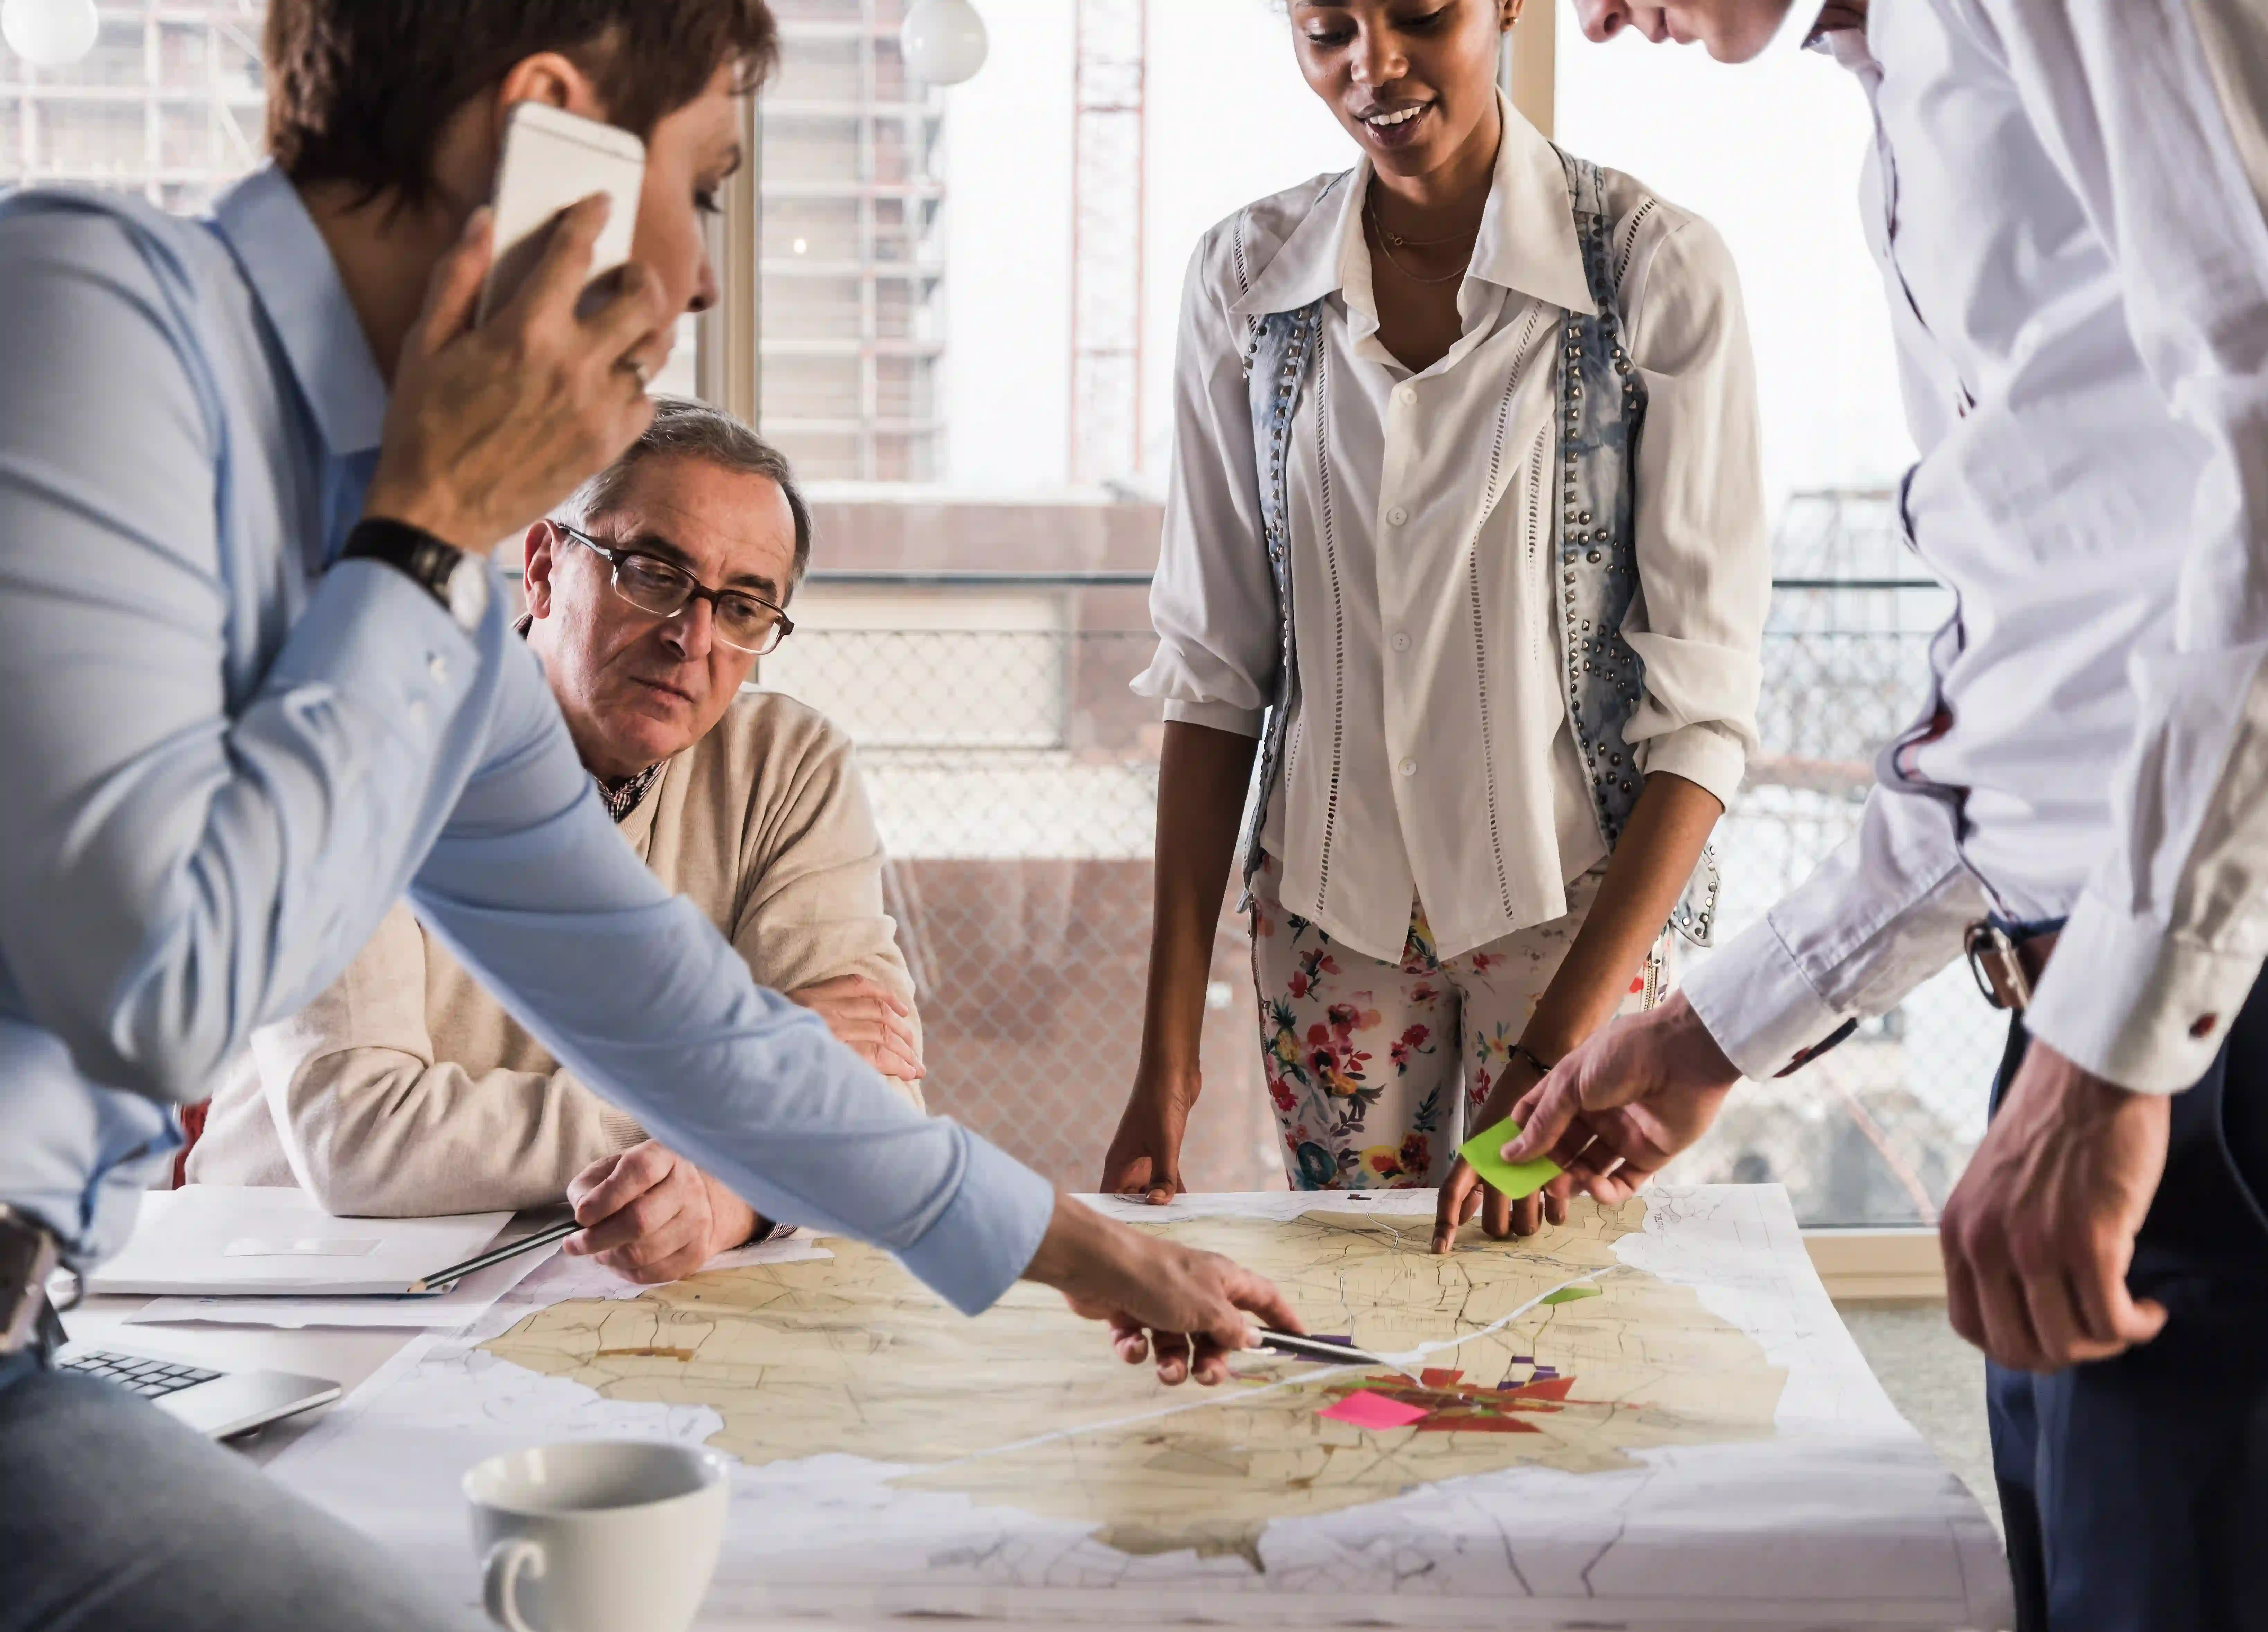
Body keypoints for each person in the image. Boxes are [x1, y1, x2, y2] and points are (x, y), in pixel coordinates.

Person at [0, 5, 1301, 1627]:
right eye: (702, 185)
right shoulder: (90, 320)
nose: (695, 279)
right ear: (550, 133)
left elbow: (679, 1021)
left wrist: (1083, 1251)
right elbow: (150, 977)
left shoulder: (436, 608)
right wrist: (426, 528)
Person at [1464, 0, 2268, 1625]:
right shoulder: (1905, 88)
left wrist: (2112, 1046)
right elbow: (2030, 701)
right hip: (2087, 1009)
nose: (1593, 15)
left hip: (2189, 1021)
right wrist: (1709, 1029)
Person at [1100, 0, 1767, 1220]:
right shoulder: (1245, 282)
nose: (1373, 66)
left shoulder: (1654, 270)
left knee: (1561, 1323)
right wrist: (1167, 1063)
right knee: (1364, 1363)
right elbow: (1212, 676)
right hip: (1326, 922)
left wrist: (1548, 1068)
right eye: (1326, 31)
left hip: (1582, 921)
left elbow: (1703, 718)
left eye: (1417, 15)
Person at [187, 401, 928, 1285]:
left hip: (590, 1292)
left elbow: (879, 1105)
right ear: (542, 568)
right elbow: (360, 1137)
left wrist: (728, 1205)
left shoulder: (789, 767)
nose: (692, 639)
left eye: (741, 607)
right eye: (654, 573)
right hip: (287, 1289)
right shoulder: (358, 747)